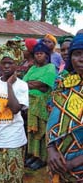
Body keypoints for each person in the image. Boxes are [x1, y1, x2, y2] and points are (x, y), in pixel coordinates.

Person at [0, 45, 29, 183]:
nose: (6, 66)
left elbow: (15, 109)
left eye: (10, 63)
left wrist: (9, 86)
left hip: (14, 139)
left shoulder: (22, 85)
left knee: (13, 176)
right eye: (3, 63)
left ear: (16, 65)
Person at [46, 32, 83, 183]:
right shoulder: (61, 83)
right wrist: (50, 149)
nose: (81, 59)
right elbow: (50, 116)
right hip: (58, 160)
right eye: (77, 53)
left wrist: (72, 163)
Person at [23, 42, 57, 170]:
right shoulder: (32, 69)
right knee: (32, 131)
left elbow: (44, 86)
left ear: (47, 55)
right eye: (36, 54)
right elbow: (24, 82)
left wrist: (30, 84)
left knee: (42, 131)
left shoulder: (50, 67)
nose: (38, 56)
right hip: (29, 104)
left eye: (41, 54)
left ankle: (42, 158)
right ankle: (34, 155)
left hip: (42, 105)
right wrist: (34, 84)